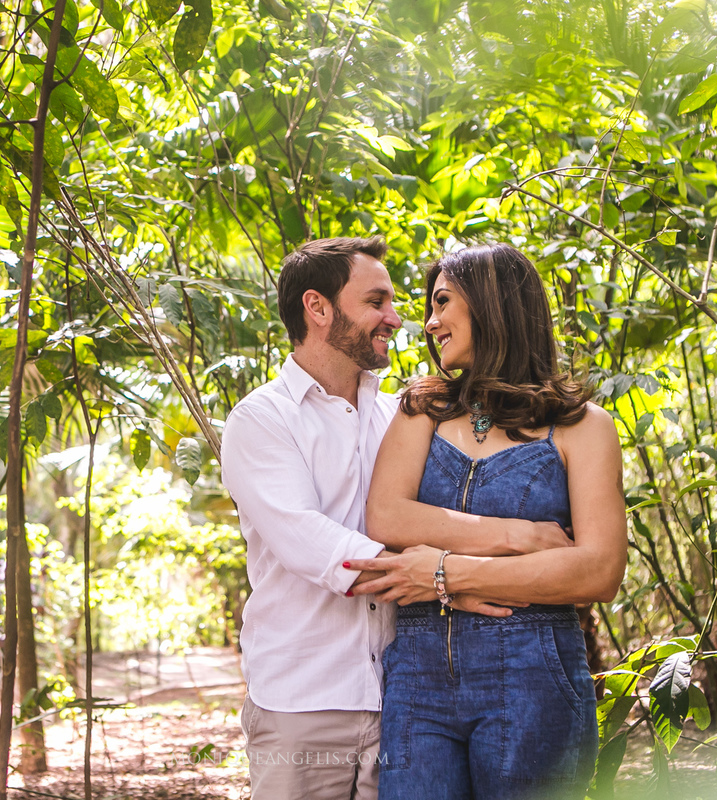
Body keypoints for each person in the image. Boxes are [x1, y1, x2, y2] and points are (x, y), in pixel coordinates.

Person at [220, 237, 574, 800]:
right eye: (376, 302)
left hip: (401, 698)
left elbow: (440, 513)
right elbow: (312, 542)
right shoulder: (262, 420)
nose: (397, 317)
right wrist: (453, 581)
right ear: (318, 308)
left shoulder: (400, 413)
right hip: (306, 703)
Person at [346, 243, 628, 800]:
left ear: (492, 304)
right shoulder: (421, 407)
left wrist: (446, 573)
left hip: (534, 673)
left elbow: (598, 570)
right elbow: (386, 514)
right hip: (417, 678)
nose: (429, 323)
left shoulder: (581, 426)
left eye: (443, 302)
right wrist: (519, 544)